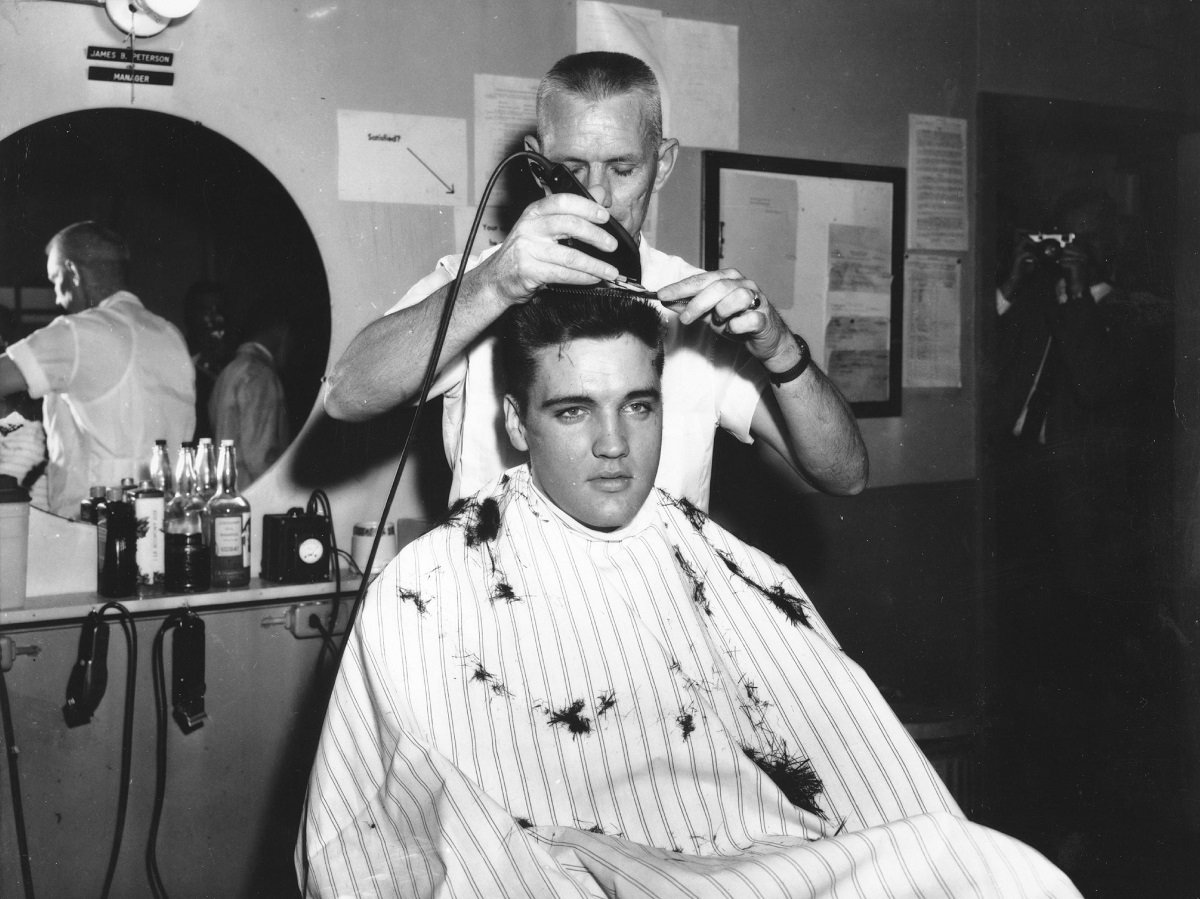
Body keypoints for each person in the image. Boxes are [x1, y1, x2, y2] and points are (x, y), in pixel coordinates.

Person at [300, 291, 1078, 898]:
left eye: (638, 405)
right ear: (514, 421)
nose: (614, 444)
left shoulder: (734, 570)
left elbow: (868, 787)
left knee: (1004, 871)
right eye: (573, 410)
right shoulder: (429, 587)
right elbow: (366, 842)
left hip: (759, 864)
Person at [321, 51, 867, 511]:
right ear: (537, 166)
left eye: (623, 169)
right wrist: (493, 286)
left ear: (663, 163)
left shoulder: (698, 303)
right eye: (572, 170)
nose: (598, 198)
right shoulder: (476, 284)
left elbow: (845, 476)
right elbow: (346, 397)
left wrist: (780, 351)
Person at [988, 189, 1175, 882]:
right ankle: (1031, 802)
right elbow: (992, 356)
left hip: (1090, 524)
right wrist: (1009, 284)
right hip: (1022, 497)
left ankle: (1083, 814)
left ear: (1108, 250)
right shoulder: (1044, 297)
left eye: (1080, 240)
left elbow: (1098, 382)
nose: (1065, 247)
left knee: (1080, 671)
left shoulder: (1141, 314)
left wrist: (1073, 295)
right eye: (1059, 236)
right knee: (1023, 655)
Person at [0, 221, 195, 518]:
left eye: (55, 280)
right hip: (165, 520)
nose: (56, 298)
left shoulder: (79, 332)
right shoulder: (170, 335)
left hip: (94, 528)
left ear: (74, 273)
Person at [208, 303, 291, 486]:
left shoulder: (229, 371)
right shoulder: (259, 375)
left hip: (228, 491)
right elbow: (260, 457)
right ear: (281, 331)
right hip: (254, 497)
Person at [183, 280, 240, 441]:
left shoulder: (238, 365)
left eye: (219, 310)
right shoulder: (180, 361)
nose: (214, 318)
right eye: (205, 310)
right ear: (190, 315)